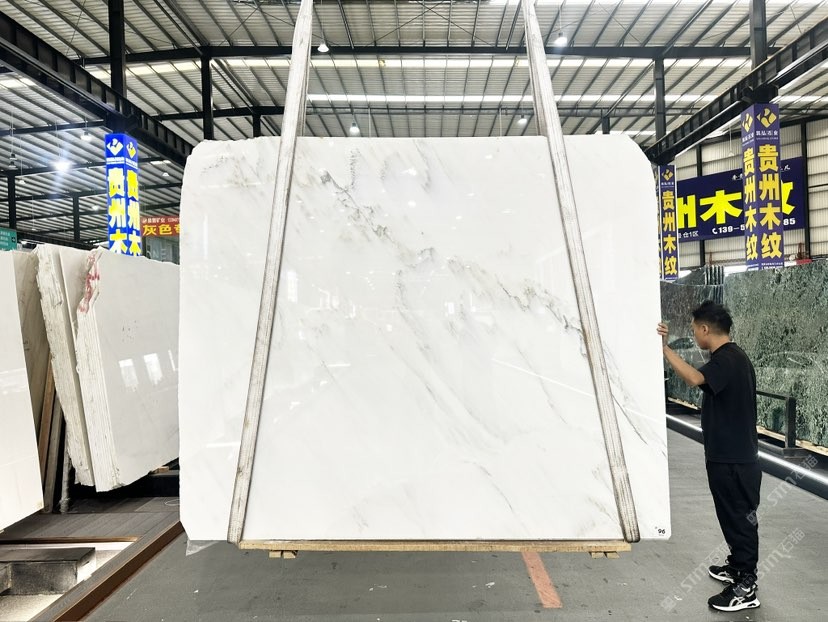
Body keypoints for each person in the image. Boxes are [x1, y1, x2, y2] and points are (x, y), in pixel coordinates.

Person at [657, 300, 761, 612]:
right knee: (731, 516)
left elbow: (693, 378)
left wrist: (664, 349)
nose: (694, 335)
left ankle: (747, 586)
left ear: (705, 329)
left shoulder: (728, 359)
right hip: (727, 456)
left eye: (694, 330)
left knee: (740, 519)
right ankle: (737, 566)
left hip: (734, 460)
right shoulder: (729, 358)